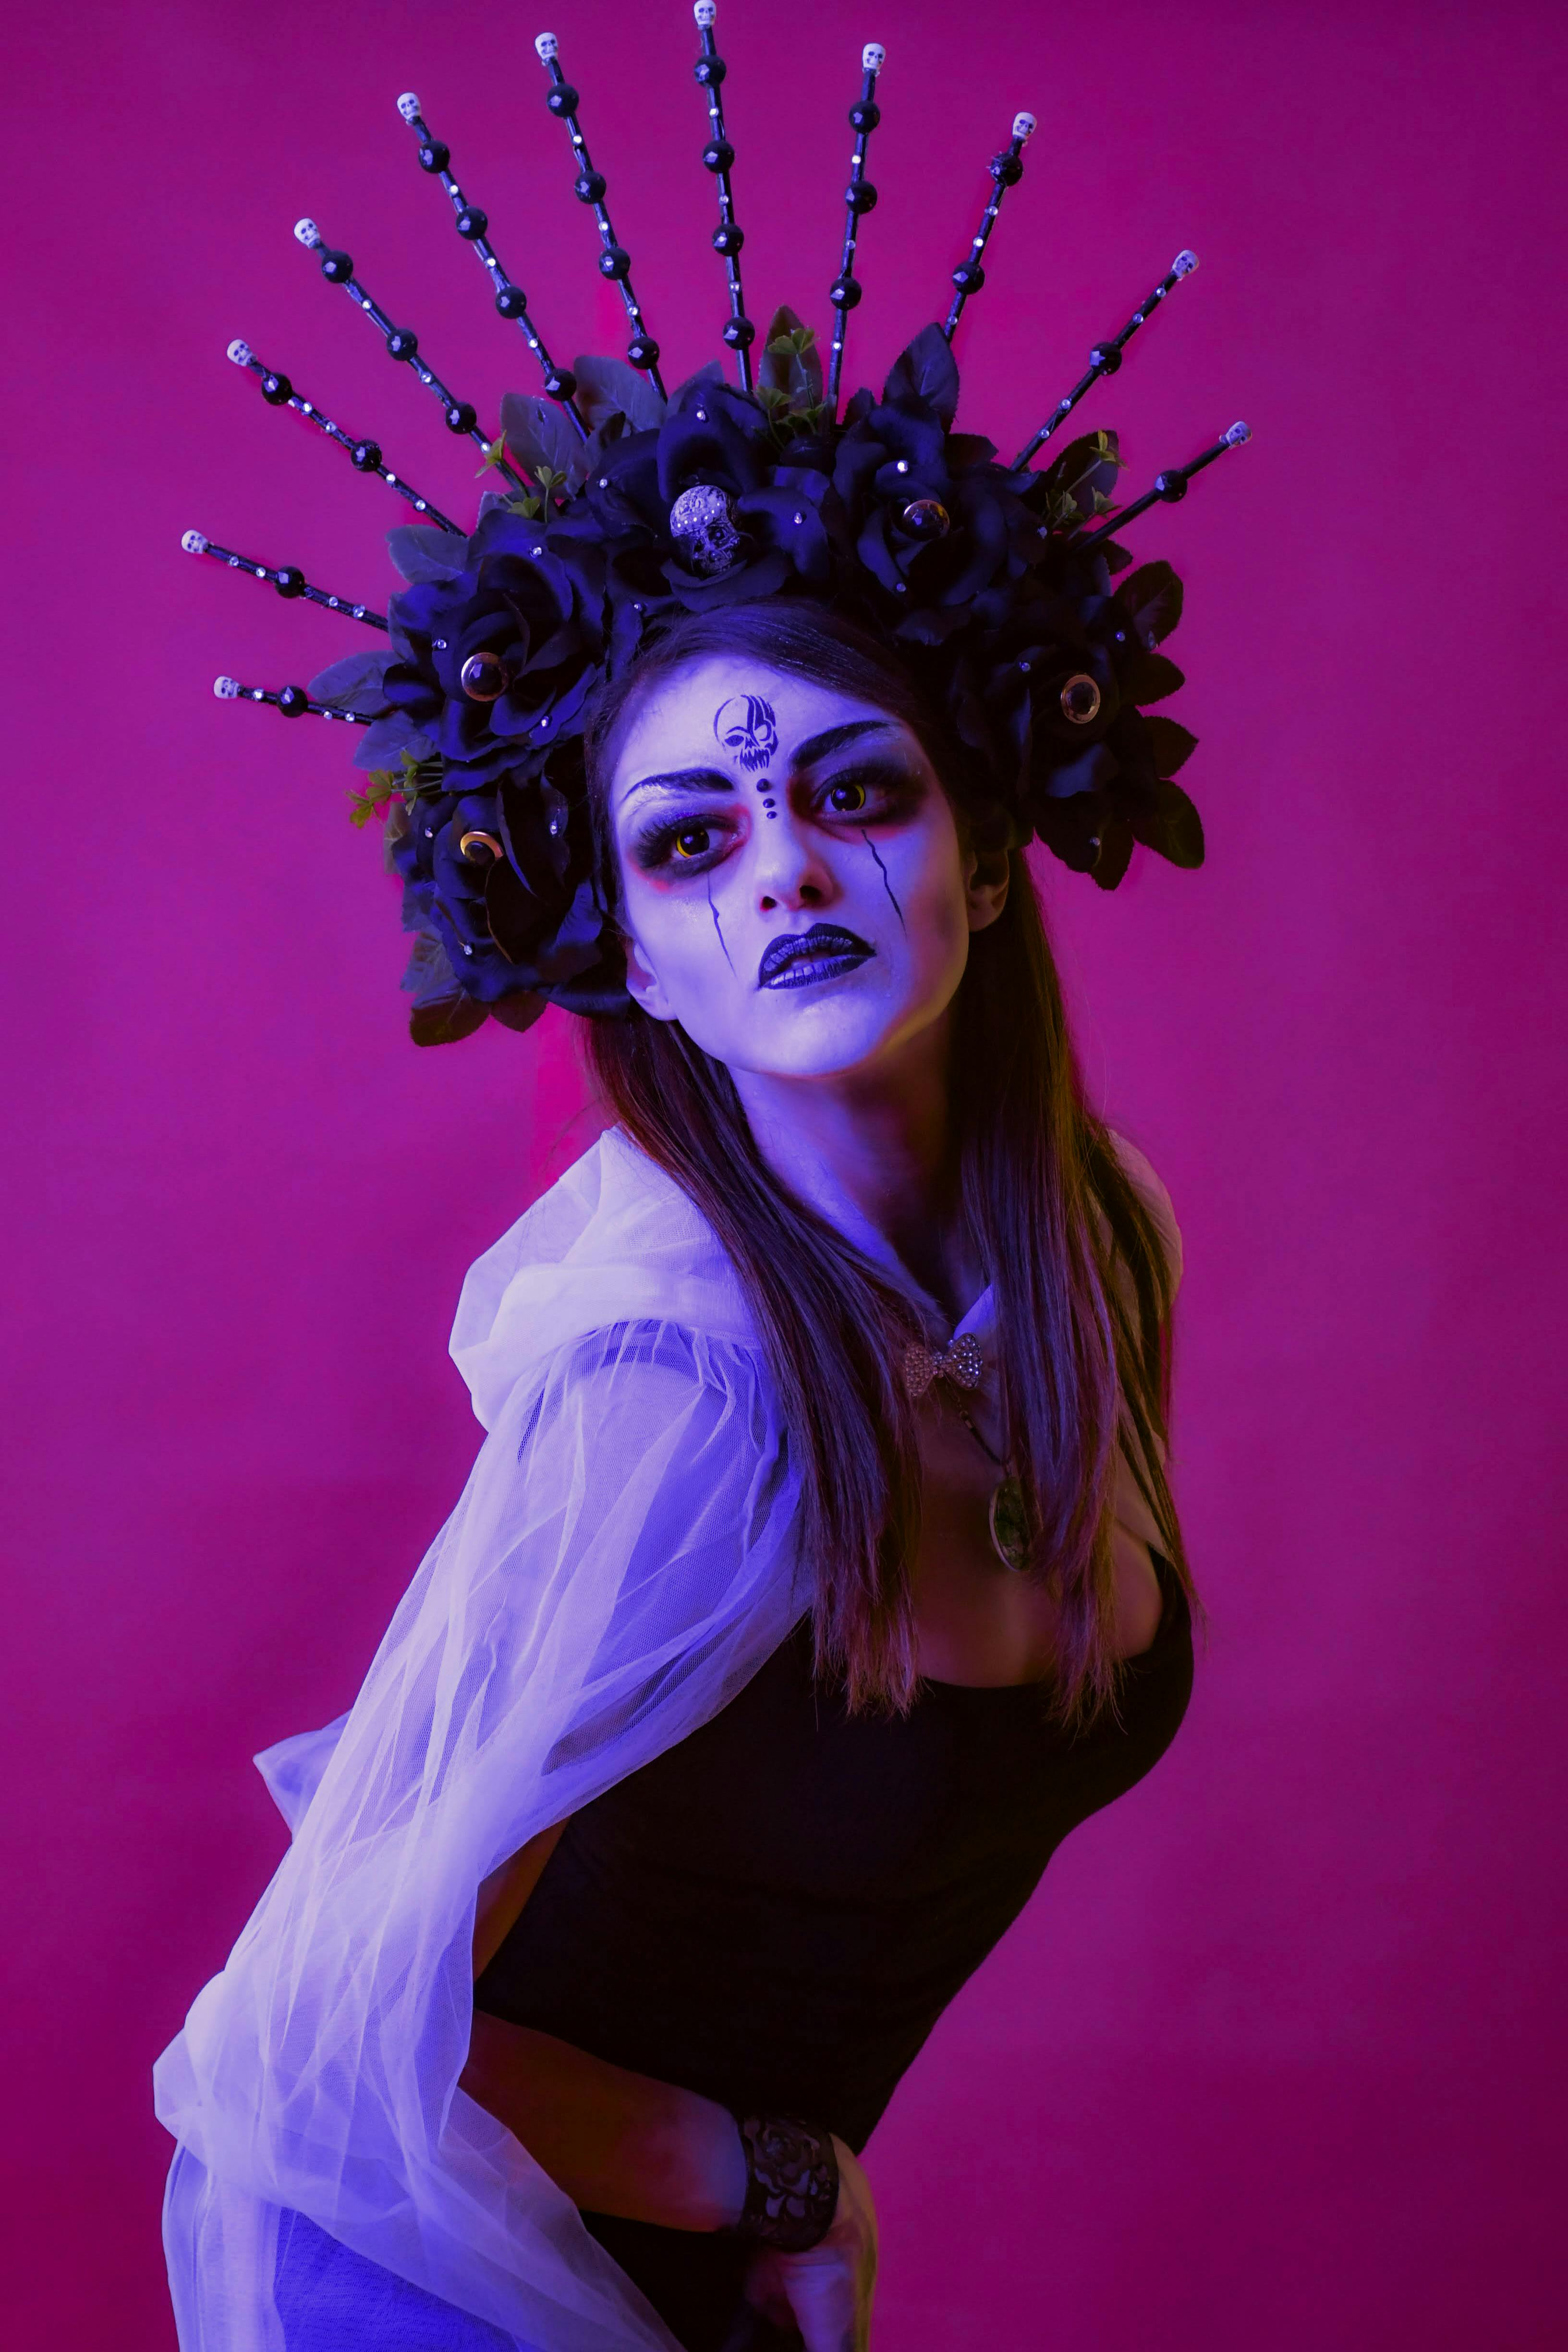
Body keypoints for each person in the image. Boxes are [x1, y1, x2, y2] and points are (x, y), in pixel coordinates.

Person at [159, 24, 1244, 2348]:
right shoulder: (686, 1371)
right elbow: (312, 2031)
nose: (782, 871)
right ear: (632, 951)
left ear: (976, 832)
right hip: (428, 2268)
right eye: (691, 840)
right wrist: (779, 2177)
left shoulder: (1094, 1245)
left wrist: (762, 2222)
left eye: (848, 789)